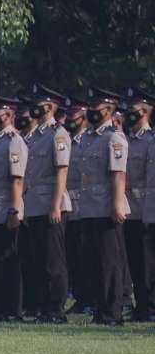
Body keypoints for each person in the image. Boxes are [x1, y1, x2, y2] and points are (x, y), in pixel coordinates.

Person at [74, 88, 130, 325]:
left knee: (110, 262)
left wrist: (117, 204)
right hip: (88, 206)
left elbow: (118, 175)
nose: (91, 110)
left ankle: (112, 311)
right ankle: (99, 308)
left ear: (108, 110)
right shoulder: (87, 138)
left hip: (107, 206)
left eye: (96, 106)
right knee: (94, 260)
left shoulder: (114, 138)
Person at [19, 84, 72, 323]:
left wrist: (55, 205)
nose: (34, 107)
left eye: (39, 103)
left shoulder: (58, 134)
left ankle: (55, 308)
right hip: (34, 203)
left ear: (50, 107)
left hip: (52, 203)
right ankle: (43, 306)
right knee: (38, 259)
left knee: (53, 260)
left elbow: (61, 171)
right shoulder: (33, 136)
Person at [0, 95, 29, 322]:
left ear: (9, 116)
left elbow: (17, 180)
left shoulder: (14, 141)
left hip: (6, 209)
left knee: (9, 260)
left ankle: (13, 309)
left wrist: (14, 211)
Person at [124, 88, 155, 321]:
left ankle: (149, 306)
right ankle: (141, 304)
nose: (127, 113)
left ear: (144, 111)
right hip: (130, 211)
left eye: (132, 109)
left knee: (147, 262)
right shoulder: (127, 140)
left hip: (146, 210)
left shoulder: (149, 140)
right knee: (135, 261)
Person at [63, 96, 92, 315]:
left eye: (73, 116)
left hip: (85, 205)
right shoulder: (67, 140)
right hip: (69, 206)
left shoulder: (88, 141)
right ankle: (81, 297)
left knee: (86, 254)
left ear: (83, 118)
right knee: (71, 254)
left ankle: (89, 297)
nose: (70, 119)